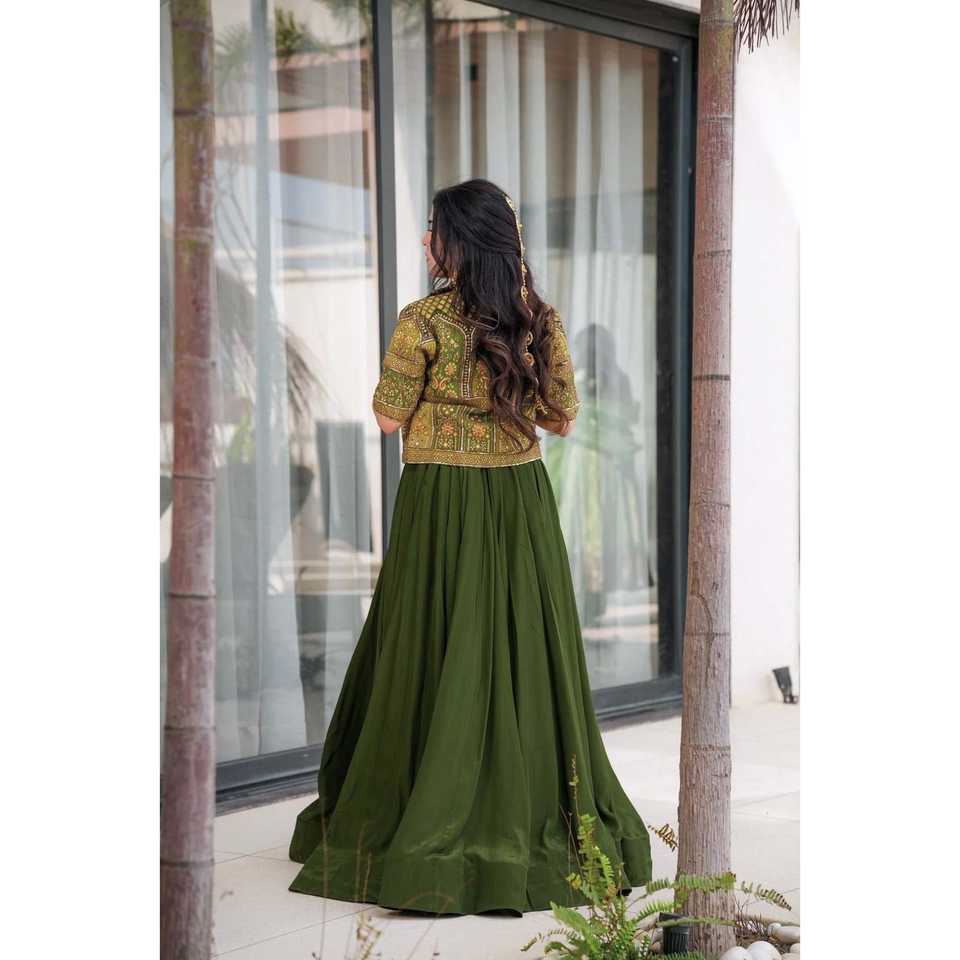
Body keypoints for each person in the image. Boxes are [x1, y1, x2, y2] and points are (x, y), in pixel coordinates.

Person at [287, 178, 652, 916]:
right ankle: (526, 807)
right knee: (520, 646)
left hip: (441, 503)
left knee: (431, 640)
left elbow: (387, 418)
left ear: (459, 242)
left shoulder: (421, 320)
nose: (426, 240)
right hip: (518, 502)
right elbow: (564, 418)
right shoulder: (537, 319)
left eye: (434, 228)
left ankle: (428, 804)